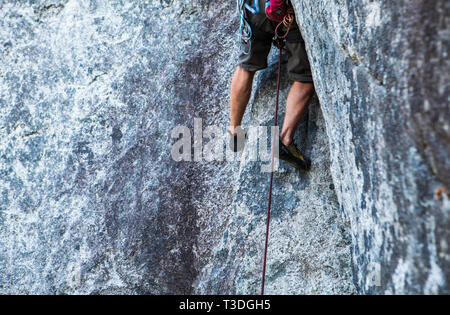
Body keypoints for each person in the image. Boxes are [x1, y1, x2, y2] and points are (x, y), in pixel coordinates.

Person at [229, 0, 314, 171]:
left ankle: (234, 130)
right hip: (285, 12)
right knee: (305, 77)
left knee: (246, 66)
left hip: (255, 7)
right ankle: (285, 139)